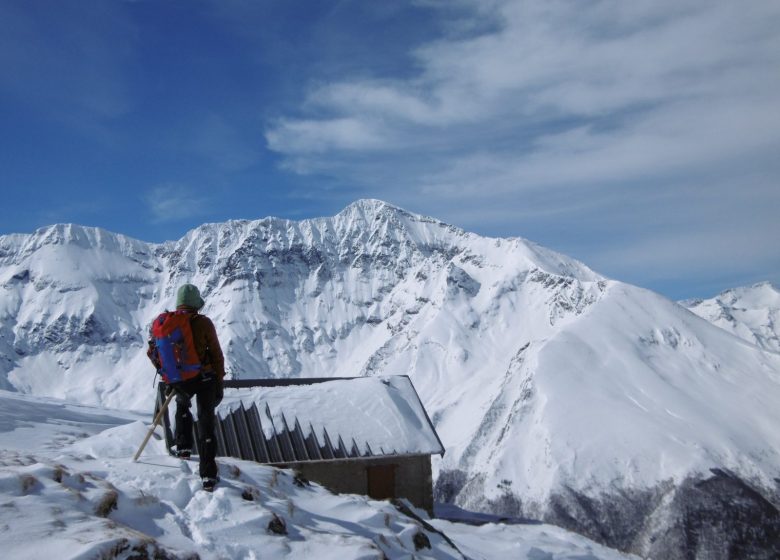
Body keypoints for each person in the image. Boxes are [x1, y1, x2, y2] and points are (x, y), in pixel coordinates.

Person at [148, 283, 225, 492]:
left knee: (182, 407)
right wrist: (220, 380)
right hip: (205, 378)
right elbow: (216, 354)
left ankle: (182, 448)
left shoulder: (166, 323)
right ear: (196, 305)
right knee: (206, 422)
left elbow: (153, 352)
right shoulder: (203, 323)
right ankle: (208, 475)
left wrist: (169, 375)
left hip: (180, 379)